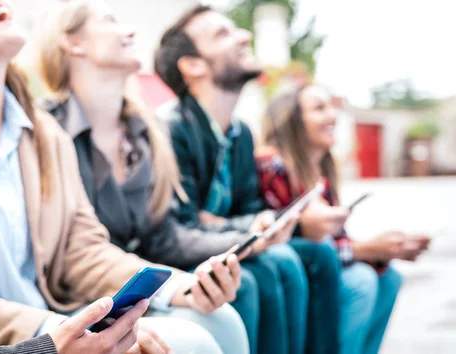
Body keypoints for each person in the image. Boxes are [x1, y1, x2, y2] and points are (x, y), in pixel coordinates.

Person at [0, 0, 244, 353]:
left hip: (58, 319)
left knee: (219, 318)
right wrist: (55, 333)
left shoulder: (45, 133)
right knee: (193, 343)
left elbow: (81, 249)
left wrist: (176, 285)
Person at [35, 1, 261, 353]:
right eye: (110, 20)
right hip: (78, 301)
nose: (131, 31)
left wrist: (233, 244)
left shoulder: (146, 131)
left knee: (228, 308)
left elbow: (162, 233)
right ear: (73, 43)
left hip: (136, 288)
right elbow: (65, 254)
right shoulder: (43, 130)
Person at [155, 5, 342, 354]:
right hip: (181, 257)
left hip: (224, 244)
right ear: (192, 65)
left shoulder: (240, 133)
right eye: (223, 34)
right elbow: (178, 228)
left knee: (317, 254)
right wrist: (245, 230)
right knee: (269, 268)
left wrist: (246, 224)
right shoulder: (170, 127)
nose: (245, 35)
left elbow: (249, 209)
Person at [257, 84, 428, 354]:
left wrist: (382, 248)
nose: (332, 117)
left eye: (331, 106)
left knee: (389, 277)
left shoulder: (320, 174)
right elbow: (288, 240)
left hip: (321, 264)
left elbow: (334, 239)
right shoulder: (273, 165)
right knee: (361, 280)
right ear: (290, 119)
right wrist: (367, 250)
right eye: (319, 108)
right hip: (299, 273)